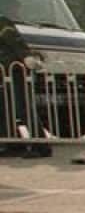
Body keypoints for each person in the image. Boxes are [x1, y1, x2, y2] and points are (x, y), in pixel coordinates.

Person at [0, 13, 52, 158]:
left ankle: (41, 146)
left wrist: (25, 56)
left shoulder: (1, 21)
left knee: (23, 109)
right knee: (5, 109)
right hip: (4, 73)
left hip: (15, 71)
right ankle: (12, 144)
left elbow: (16, 41)